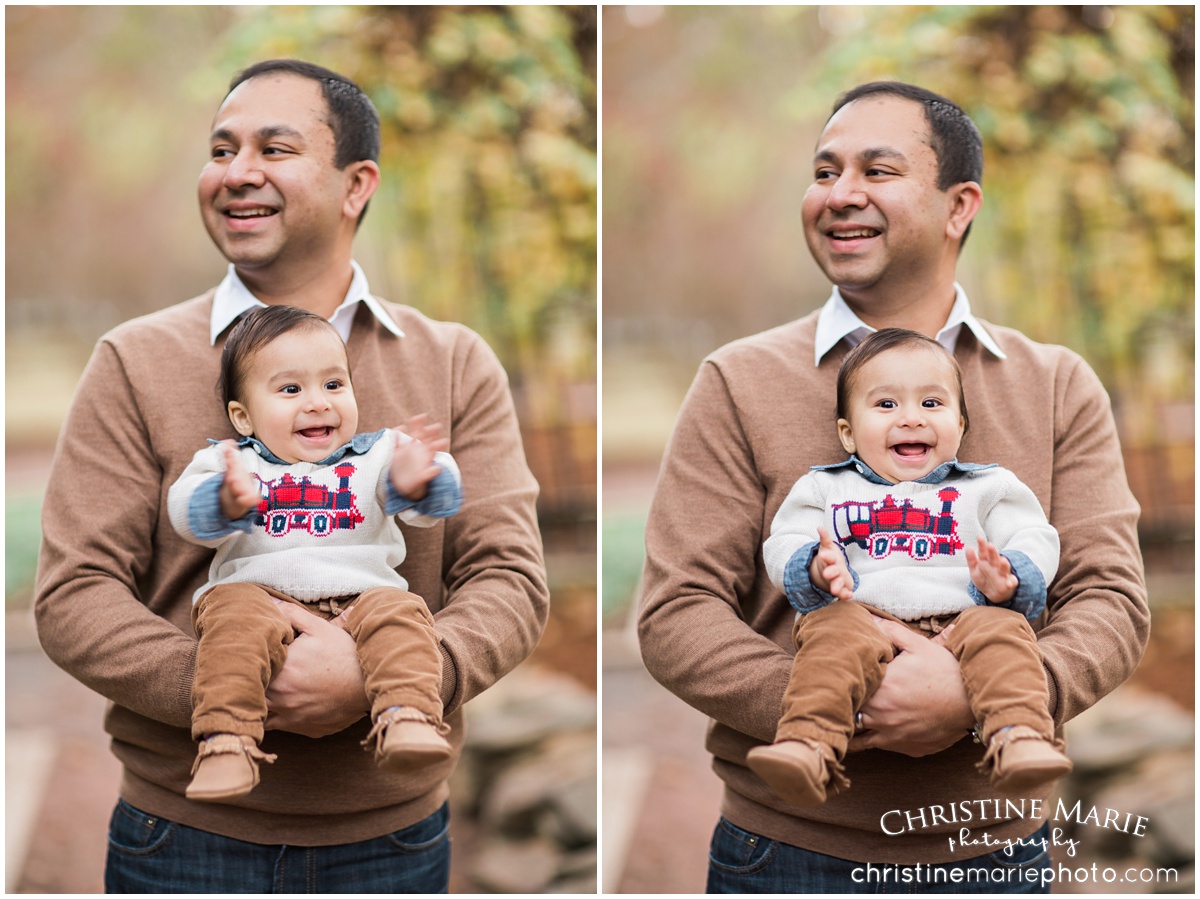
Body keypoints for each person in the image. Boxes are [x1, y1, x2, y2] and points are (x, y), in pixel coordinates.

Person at [35, 59, 548, 893]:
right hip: (184, 836)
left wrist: (384, 679)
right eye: (221, 149)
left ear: (356, 184)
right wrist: (233, 686)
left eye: (273, 148)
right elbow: (73, 596)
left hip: (395, 840)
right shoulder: (135, 360)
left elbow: (510, 579)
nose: (237, 173)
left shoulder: (452, 362)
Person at [637, 81, 1147, 892]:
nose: (841, 195)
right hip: (787, 851)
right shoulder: (739, 379)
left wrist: (978, 697)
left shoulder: (1055, 384)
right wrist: (841, 706)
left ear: (958, 206)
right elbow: (676, 614)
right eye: (824, 170)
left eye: (877, 170)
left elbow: (1111, 600)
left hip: (994, 854)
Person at [747, 328, 1071, 809]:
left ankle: (1019, 736)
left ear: (961, 425)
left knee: (1003, 634)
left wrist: (1010, 575)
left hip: (965, 617)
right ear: (848, 433)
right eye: (886, 405)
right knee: (830, 639)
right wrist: (815, 568)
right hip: (863, 616)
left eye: (932, 404)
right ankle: (808, 744)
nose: (911, 419)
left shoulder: (986, 487)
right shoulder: (824, 489)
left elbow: (1034, 535)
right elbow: (785, 541)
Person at [170, 304, 463, 802]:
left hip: (364, 596)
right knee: (231, 632)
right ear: (242, 416)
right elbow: (184, 512)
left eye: (333, 385)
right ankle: (226, 742)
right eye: (290, 390)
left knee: (404, 616)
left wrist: (417, 481)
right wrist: (224, 500)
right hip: (257, 595)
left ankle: (408, 716)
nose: (318, 403)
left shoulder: (379, 455)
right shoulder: (231, 462)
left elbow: (441, 498)